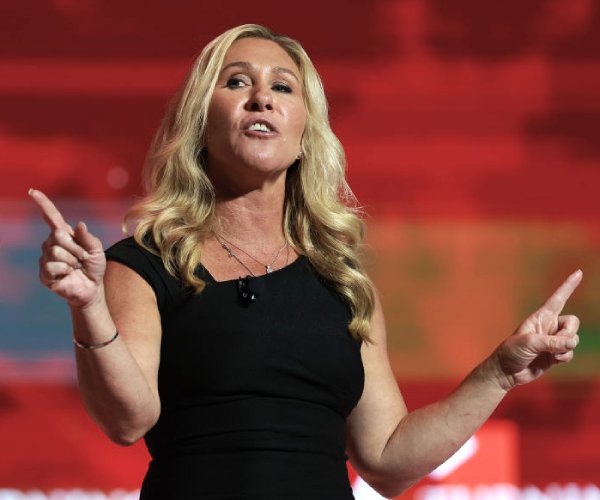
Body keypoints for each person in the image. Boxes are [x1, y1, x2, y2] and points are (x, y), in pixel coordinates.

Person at [30, 24, 582, 499]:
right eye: (237, 81)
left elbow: (387, 460)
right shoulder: (149, 264)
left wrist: (500, 373)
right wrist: (88, 306)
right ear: (201, 123)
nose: (261, 99)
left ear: (303, 137)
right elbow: (128, 421)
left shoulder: (341, 282)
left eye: (283, 87)